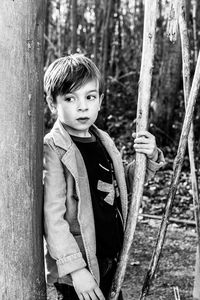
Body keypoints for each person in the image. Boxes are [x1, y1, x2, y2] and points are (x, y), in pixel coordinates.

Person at [43, 53, 165, 300]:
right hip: (79, 270)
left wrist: (148, 158)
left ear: (100, 100)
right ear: (52, 103)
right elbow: (52, 217)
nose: (82, 106)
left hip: (109, 261)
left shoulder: (102, 140)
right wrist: (77, 271)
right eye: (70, 98)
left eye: (90, 97)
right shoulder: (54, 148)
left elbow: (118, 187)